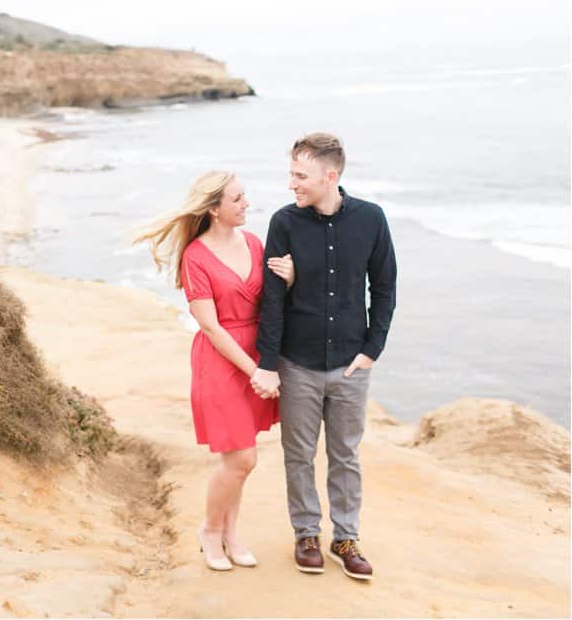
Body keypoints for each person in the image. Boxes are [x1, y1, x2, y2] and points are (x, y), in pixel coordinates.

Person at [251, 133, 397, 581]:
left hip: (351, 364)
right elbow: (272, 300)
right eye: (292, 173)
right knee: (298, 455)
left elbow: (385, 287)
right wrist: (268, 362)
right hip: (297, 363)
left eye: (301, 175)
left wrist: (373, 350)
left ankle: (346, 538)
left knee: (346, 455)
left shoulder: (371, 219)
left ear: (330, 176)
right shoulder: (284, 223)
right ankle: (306, 533)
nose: (292, 183)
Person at [134, 171, 294, 571]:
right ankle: (209, 530)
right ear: (213, 209)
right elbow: (210, 325)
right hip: (223, 362)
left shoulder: (255, 243)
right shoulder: (195, 257)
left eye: (245, 197)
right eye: (237, 199)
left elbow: (273, 302)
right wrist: (255, 370)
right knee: (242, 458)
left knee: (237, 462)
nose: (246, 204)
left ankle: (231, 535)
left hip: (257, 355)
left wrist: (290, 281)